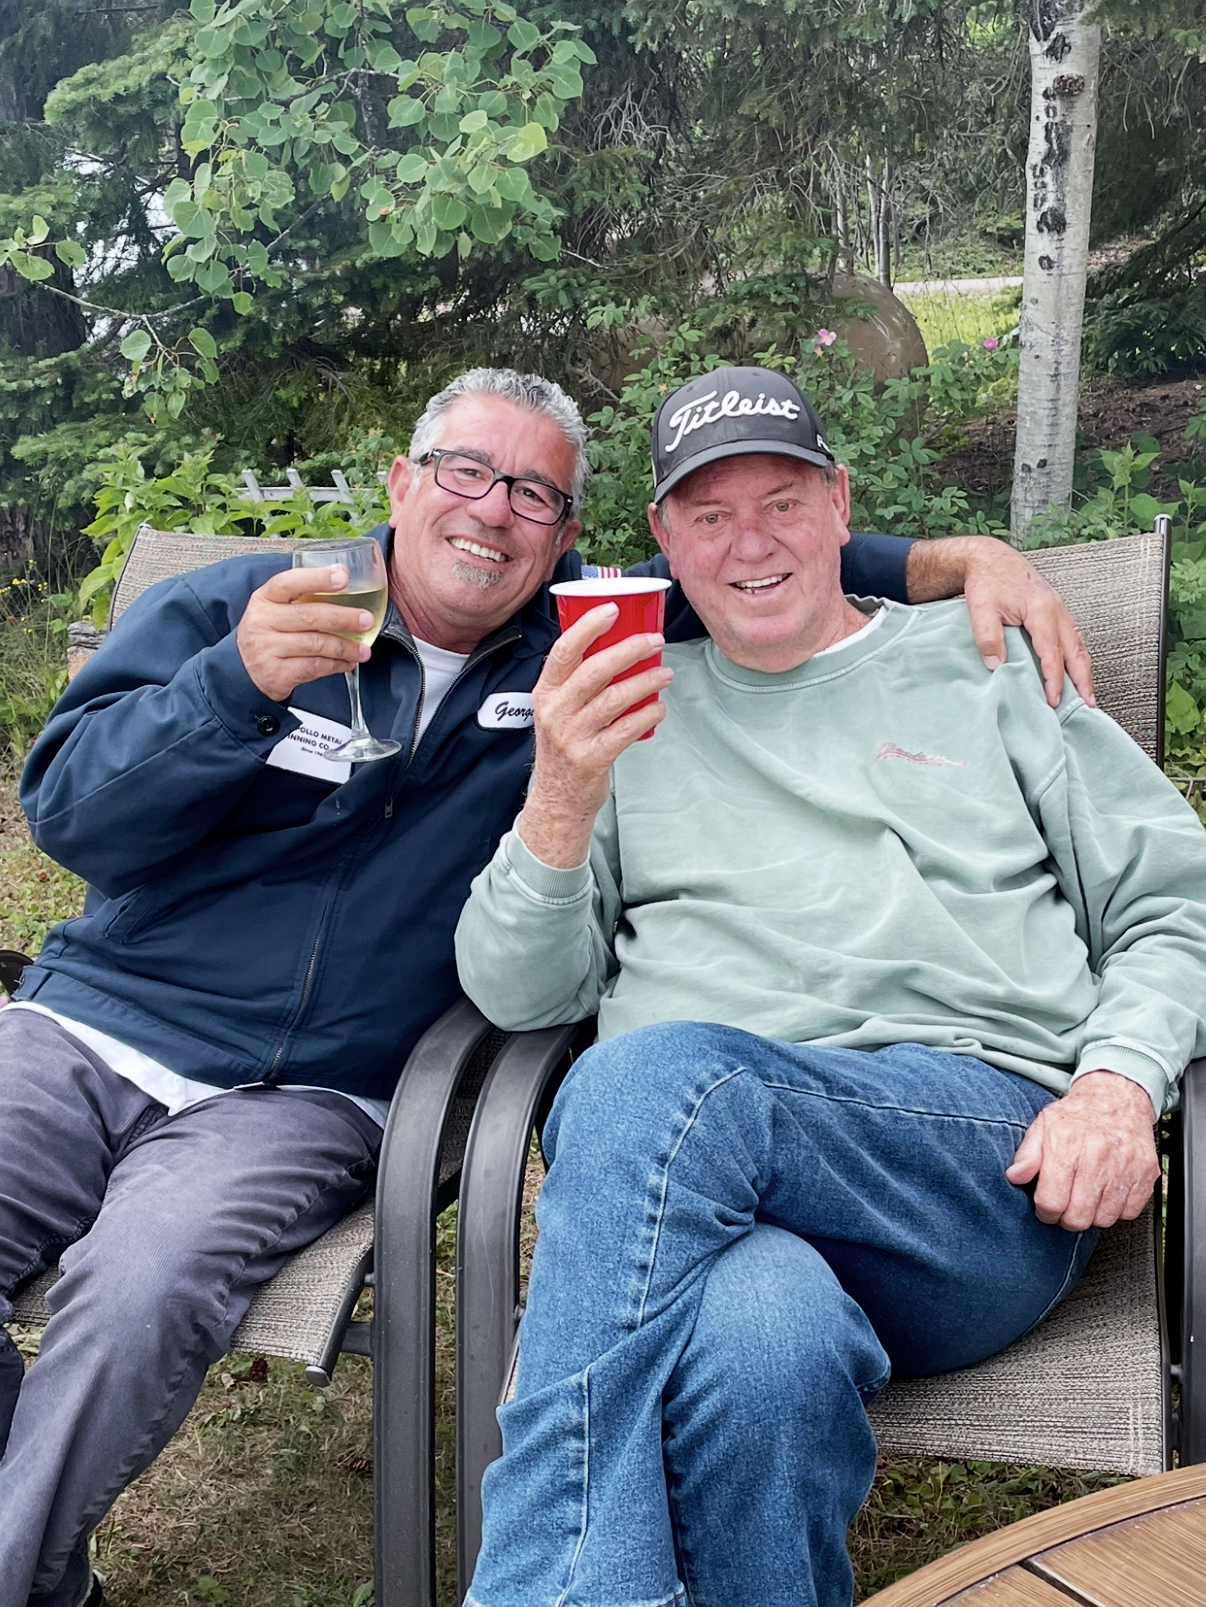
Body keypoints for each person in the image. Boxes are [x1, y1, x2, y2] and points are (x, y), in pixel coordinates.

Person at [0, 364, 1087, 1607]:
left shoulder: (586, 639)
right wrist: (228, 689)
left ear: (570, 535)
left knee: (142, 1282)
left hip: (311, 1091)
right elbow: (70, 814)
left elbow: (766, 566)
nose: (493, 509)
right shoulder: (261, 604)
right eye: (466, 471)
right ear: (403, 484)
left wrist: (963, 559)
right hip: (93, 1024)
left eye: (534, 491)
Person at [454, 365, 1206, 1607]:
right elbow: (520, 995)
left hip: (969, 1166)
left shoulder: (984, 662)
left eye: (784, 499)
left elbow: (1175, 897)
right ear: (661, 540)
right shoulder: (621, 708)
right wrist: (560, 797)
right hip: (709, 1218)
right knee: (763, 1344)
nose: (750, 541)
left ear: (842, 503)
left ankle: (544, 1581)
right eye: (708, 513)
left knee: (652, 1080)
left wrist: (1120, 1082)